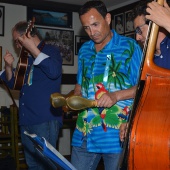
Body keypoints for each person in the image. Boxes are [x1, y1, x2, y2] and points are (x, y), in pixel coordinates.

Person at [71, 1, 142, 170]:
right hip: (84, 132)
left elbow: (142, 88)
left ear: (108, 18)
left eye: (95, 24)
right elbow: (80, 85)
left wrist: (116, 96)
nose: (91, 32)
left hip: (116, 134)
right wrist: (75, 97)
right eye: (86, 27)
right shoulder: (84, 51)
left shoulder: (130, 47)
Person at [0, 21, 62, 170]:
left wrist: (33, 49)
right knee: (32, 165)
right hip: (26, 120)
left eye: (17, 41)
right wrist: (8, 67)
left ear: (27, 35)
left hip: (44, 119)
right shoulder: (25, 59)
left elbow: (54, 72)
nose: (16, 46)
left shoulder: (51, 51)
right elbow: (14, 83)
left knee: (46, 165)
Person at [120, 0, 170, 142]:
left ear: (156, 24)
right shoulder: (148, 60)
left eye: (139, 30)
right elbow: (145, 99)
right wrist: (132, 123)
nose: (137, 37)